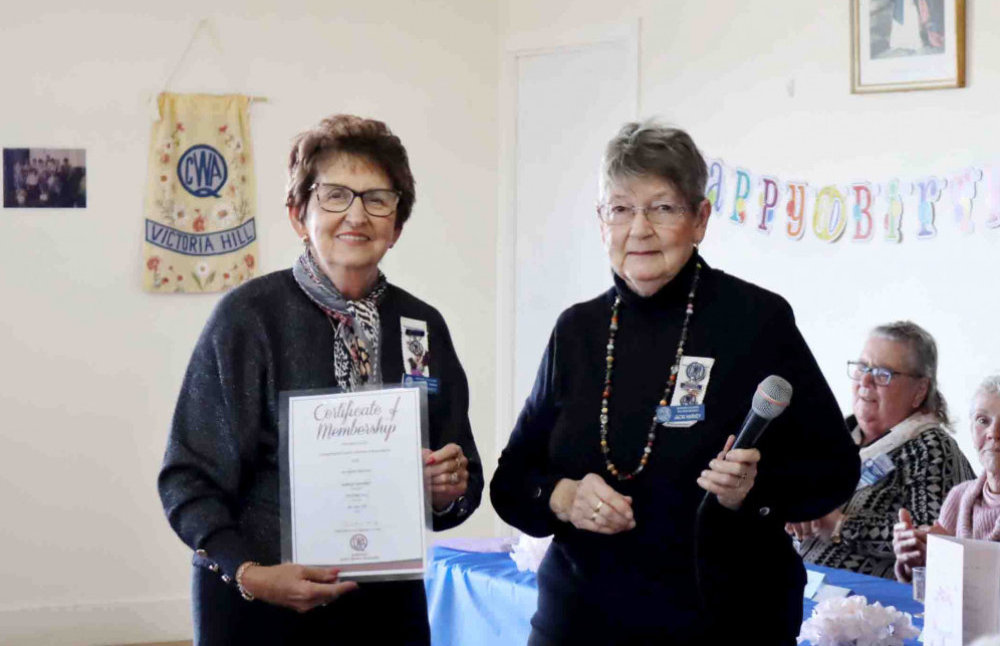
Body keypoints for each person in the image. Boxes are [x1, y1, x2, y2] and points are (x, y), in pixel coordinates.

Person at [490, 120, 860, 645]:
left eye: (662, 208)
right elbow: (511, 483)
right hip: (582, 620)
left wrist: (752, 493)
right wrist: (562, 496)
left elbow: (833, 471)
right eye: (620, 208)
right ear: (602, 222)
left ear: (700, 218)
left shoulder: (757, 320)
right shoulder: (577, 330)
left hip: (725, 618)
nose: (638, 229)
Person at [158, 114, 483, 644]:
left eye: (378, 198)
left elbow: (460, 473)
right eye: (335, 195)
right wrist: (249, 573)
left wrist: (447, 490)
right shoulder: (247, 319)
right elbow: (186, 478)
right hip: (257, 603)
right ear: (297, 213)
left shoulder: (422, 326)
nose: (356, 214)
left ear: (397, 224)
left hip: (385, 609)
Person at [790, 321, 974, 578]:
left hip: (876, 608)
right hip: (800, 586)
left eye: (882, 373)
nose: (865, 380)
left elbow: (936, 542)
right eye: (863, 367)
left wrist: (840, 526)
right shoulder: (831, 434)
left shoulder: (932, 449)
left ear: (919, 390)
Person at [893, 375, 1000, 582]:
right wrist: (919, 560)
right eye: (982, 421)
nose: (993, 433)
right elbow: (937, 586)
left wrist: (952, 560)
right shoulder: (959, 497)